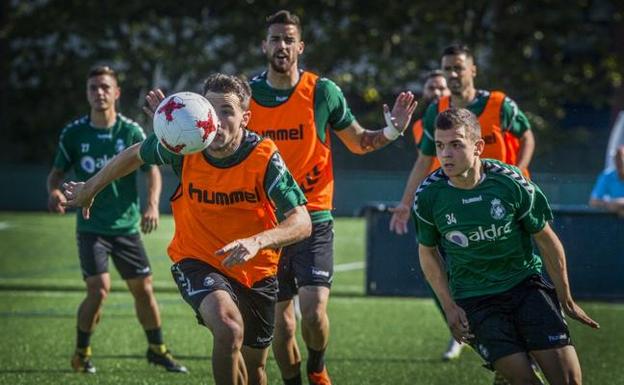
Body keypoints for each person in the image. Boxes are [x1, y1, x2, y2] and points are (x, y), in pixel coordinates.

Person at [62, 73, 312, 385]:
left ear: (245, 117)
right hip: (197, 260)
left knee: (254, 368)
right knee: (229, 329)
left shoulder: (263, 156)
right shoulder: (186, 145)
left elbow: (302, 221)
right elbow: (135, 154)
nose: (217, 121)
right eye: (211, 109)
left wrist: (258, 241)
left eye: (227, 112)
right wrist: (91, 187)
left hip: (256, 270)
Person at [247, 10, 417, 385]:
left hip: (314, 217)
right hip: (266, 222)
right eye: (275, 39)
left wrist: (391, 131)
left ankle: (317, 366)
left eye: (289, 39)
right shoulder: (247, 96)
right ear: (264, 45)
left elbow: (358, 141)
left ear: (300, 46)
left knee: (313, 310)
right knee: (282, 324)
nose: (282, 46)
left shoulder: (322, 92)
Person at [415, 108, 599, 385]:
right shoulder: (428, 195)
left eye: (455, 144)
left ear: (478, 147)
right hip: (476, 300)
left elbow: (546, 239)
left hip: (526, 287)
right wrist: (450, 307)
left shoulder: (510, 182)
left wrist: (566, 298)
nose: (445, 154)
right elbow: (427, 252)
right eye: (440, 146)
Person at [46, 65, 186, 374]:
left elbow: (151, 170)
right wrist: (54, 191)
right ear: (87, 93)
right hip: (91, 226)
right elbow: (56, 173)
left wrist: (151, 204)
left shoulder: (131, 131)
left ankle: (157, 350)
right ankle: (82, 353)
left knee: (144, 290)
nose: (99, 93)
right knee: (98, 290)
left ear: (116, 93)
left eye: (105, 87)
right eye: (93, 88)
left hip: (126, 226)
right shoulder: (74, 133)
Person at [390, 43, 535, 236]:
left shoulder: (499, 104)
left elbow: (527, 137)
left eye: (458, 68)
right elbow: (424, 160)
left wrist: (518, 174)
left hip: (502, 197)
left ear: (473, 70)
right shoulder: (435, 110)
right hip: (458, 200)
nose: (453, 74)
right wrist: (406, 203)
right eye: (447, 69)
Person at [589, 145, 624, 216]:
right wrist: (610, 204)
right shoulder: (607, 176)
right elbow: (593, 201)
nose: (618, 162)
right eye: (616, 158)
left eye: (621, 159)